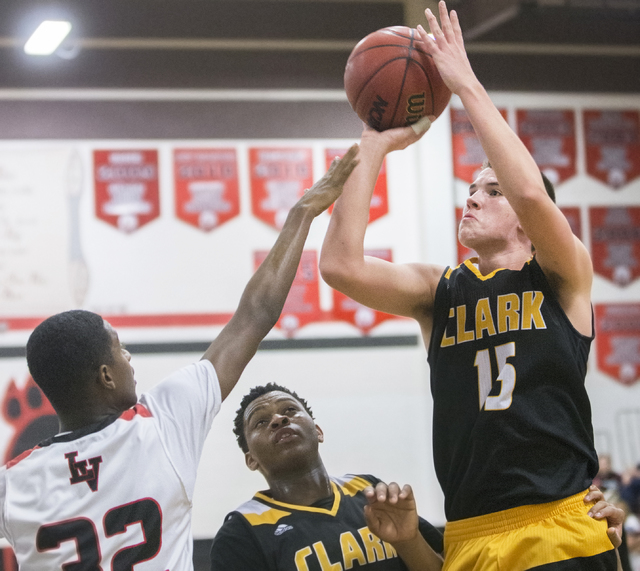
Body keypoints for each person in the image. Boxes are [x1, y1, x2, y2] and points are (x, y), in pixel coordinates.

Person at [319, 2, 619, 569]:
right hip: (469, 535)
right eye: (473, 187)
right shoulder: (441, 291)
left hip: (559, 527)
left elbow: (531, 194)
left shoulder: (561, 274)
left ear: (532, 227)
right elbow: (340, 266)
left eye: (492, 190)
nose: (474, 196)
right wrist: (373, 144)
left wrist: (464, 84)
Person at [0, 145, 359, 569]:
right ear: (106, 377)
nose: (129, 358)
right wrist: (303, 210)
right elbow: (254, 315)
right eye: (120, 350)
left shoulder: (14, 481)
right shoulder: (161, 423)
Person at [210, 383, 625, 571]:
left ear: (317, 430)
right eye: (260, 422)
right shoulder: (243, 531)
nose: (278, 418)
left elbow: (451, 568)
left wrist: (577, 525)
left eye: (288, 409)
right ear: (250, 459)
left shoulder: (368, 490)